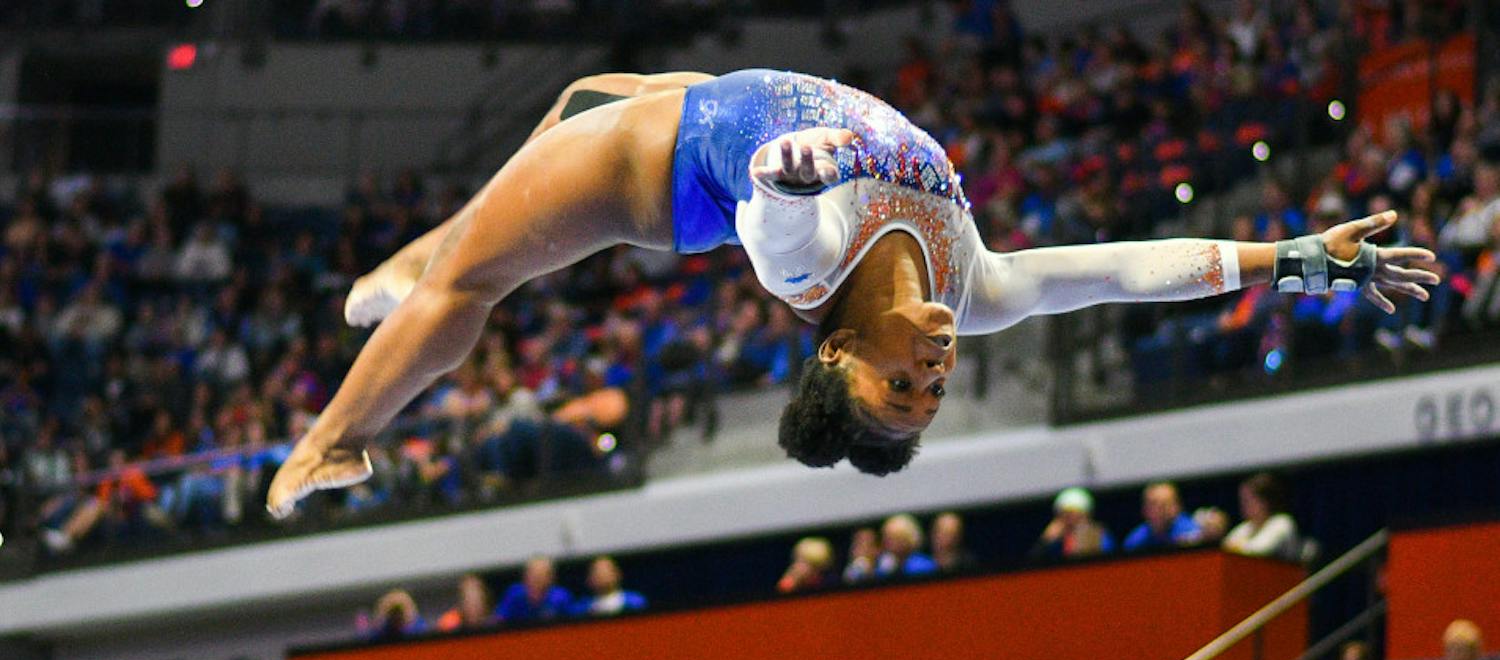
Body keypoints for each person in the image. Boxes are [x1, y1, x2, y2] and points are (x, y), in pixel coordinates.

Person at [262, 69, 1436, 514]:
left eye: (902, 385)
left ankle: (328, 443)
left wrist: (791, 166)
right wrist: (1294, 258)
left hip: (651, 169)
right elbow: (1130, 271)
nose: (934, 371)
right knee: (560, 108)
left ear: (838, 356)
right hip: (708, 92)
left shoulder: (807, 268)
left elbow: (773, 202)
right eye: (935, 390)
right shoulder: (977, 288)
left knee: (473, 286)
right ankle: (403, 271)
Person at [1221, 472, 1301, 561]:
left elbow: (1260, 550)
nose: (1243, 505)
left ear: (1265, 502)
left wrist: (1237, 546)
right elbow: (1226, 549)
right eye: (1242, 501)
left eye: (1248, 500)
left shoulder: (1282, 522)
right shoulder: (1244, 528)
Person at [1122, 482, 1210, 552]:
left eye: (1166, 504)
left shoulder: (1191, 531)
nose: (1161, 511)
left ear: (1178, 507)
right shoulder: (1136, 541)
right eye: (1154, 505)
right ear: (1144, 510)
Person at [1035, 487, 1113, 560]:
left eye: (1075, 514)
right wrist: (1046, 541)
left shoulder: (1100, 535)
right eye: (1065, 515)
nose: (1070, 520)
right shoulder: (1055, 540)